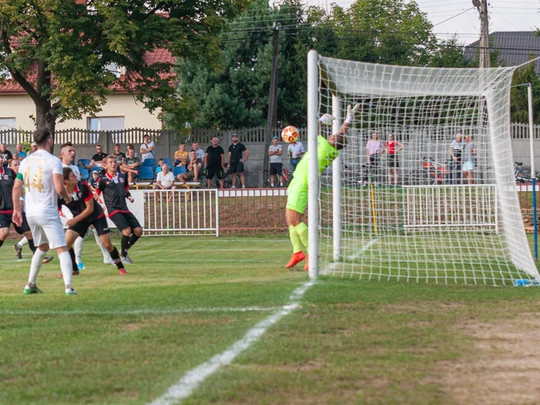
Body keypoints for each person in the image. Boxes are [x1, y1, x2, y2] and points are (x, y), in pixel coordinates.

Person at [285, 104, 359, 270]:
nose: (332, 134)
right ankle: (297, 252)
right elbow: (341, 134)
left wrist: (321, 120)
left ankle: (312, 252)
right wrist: (348, 119)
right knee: (290, 220)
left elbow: (314, 129)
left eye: (332, 134)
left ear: (331, 140)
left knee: (295, 220)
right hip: (299, 181)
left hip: (302, 184)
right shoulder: (332, 148)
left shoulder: (323, 145)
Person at [12, 128, 77, 295]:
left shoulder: (26, 161)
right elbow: (58, 187)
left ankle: (30, 284)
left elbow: (17, 187)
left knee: (42, 246)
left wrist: (17, 210)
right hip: (47, 211)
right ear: (49, 140)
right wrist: (67, 197)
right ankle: (68, 287)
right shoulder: (54, 161)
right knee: (62, 247)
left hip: (31, 212)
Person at [59, 167, 127, 276]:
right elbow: (58, 208)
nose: (76, 176)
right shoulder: (59, 192)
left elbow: (90, 208)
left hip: (96, 215)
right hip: (80, 218)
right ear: (66, 181)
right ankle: (74, 269)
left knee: (107, 244)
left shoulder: (82, 186)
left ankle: (120, 267)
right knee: (66, 244)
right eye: (72, 176)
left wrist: (75, 219)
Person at [60, 142, 113, 268]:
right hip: (67, 206)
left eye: (73, 151)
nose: (73, 153)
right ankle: (77, 261)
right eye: (70, 151)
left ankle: (106, 257)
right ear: (62, 154)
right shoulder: (57, 169)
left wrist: (90, 193)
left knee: (94, 229)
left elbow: (80, 187)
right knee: (78, 230)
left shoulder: (75, 169)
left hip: (79, 205)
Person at [95, 155, 143, 263]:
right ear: (106, 165)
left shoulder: (122, 176)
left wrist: (129, 196)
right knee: (126, 231)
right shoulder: (102, 179)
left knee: (138, 231)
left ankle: (123, 250)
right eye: (111, 162)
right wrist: (98, 203)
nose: (113, 164)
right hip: (113, 209)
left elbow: (125, 190)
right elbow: (96, 194)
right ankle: (124, 256)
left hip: (124, 208)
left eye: (115, 162)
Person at [10, 159, 53, 264]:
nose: (17, 166)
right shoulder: (8, 180)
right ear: (10, 167)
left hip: (26, 211)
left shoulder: (25, 177)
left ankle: (37, 256)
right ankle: (23, 247)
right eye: (15, 165)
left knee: (30, 233)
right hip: (10, 210)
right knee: (5, 233)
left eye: (18, 164)